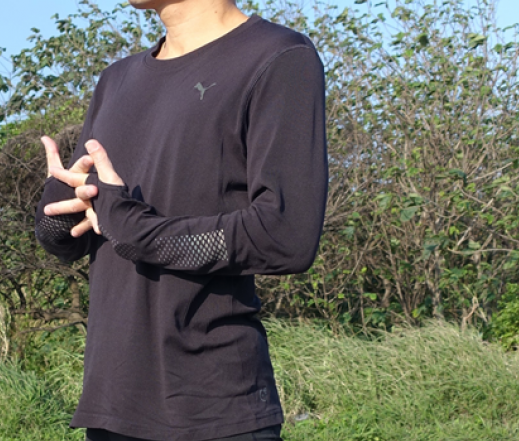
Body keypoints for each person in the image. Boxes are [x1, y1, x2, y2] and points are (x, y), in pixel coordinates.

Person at [34, 0, 327, 439]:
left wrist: (135, 229)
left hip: (216, 411)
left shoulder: (278, 56)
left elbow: (285, 234)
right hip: (111, 409)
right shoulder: (117, 79)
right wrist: (61, 208)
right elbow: (73, 233)